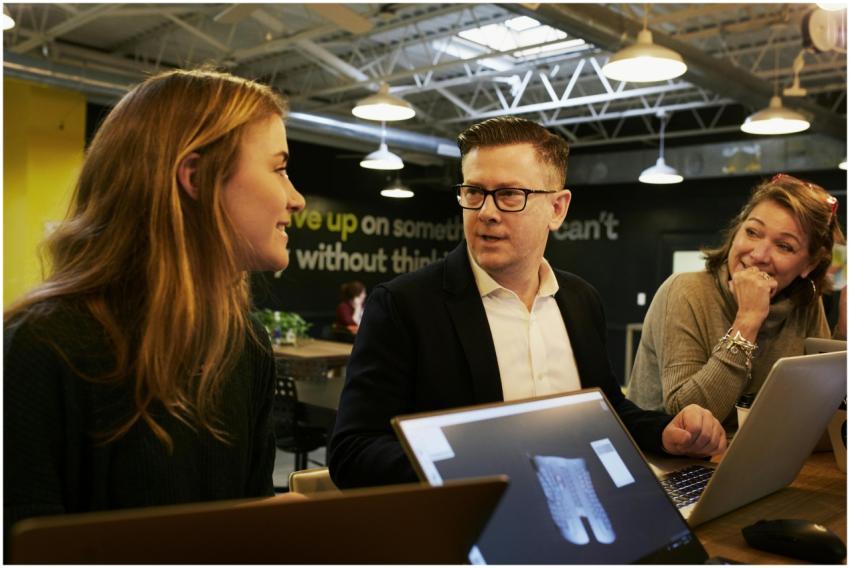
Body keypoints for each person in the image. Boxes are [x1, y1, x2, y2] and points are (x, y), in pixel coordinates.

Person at [328, 116, 726, 489]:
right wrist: (474, 469)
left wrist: (664, 433)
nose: (485, 212)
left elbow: (607, 409)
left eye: (509, 195)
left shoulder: (581, 301)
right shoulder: (403, 306)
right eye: (474, 192)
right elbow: (353, 451)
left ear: (557, 208)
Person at [4, 68, 306, 537]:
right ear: (197, 176)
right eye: (279, 168)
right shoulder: (40, 348)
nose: (297, 198)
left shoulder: (246, 344)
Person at [628, 174, 845, 431]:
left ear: (809, 264)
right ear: (737, 230)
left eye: (784, 246)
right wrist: (748, 320)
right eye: (752, 232)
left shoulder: (806, 302)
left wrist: (843, 334)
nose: (758, 255)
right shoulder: (685, 291)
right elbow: (688, 416)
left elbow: (820, 414)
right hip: (669, 462)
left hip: (757, 455)